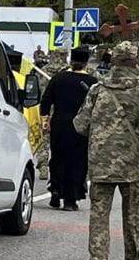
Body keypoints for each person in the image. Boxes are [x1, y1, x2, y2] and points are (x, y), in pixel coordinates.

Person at [73, 41, 139, 260]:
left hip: (101, 162)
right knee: (133, 213)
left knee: (99, 213)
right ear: (135, 62)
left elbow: (80, 124)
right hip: (132, 163)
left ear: (113, 61)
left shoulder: (98, 89)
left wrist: (101, 137)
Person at [40, 48, 99, 211]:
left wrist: (45, 120)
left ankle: (56, 189)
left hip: (59, 123)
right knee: (77, 161)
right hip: (81, 127)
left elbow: (46, 101)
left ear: (70, 61)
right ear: (86, 62)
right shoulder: (92, 82)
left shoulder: (58, 78)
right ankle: (70, 199)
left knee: (58, 157)